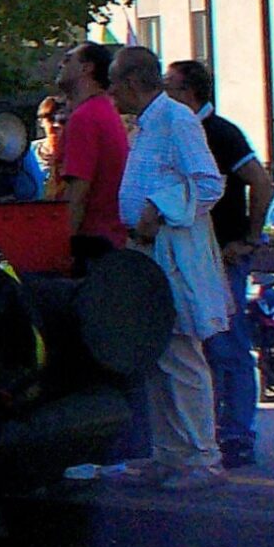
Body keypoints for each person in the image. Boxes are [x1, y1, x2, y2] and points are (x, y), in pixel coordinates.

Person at [107, 45, 230, 488]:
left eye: (114, 84)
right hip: (149, 249)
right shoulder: (149, 123)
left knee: (180, 352)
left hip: (171, 251)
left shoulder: (177, 119)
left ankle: (202, 458)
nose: (110, 93)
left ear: (131, 82)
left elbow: (208, 183)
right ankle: (170, 453)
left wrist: (158, 208)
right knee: (157, 353)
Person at [165, 60, 274, 468]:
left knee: (228, 345)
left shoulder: (220, 132)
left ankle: (238, 433)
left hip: (222, 256)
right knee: (201, 345)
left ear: (189, 93)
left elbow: (260, 182)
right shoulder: (178, 131)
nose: (164, 95)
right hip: (192, 254)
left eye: (170, 87)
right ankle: (208, 430)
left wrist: (250, 237)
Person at [54, 43, 130, 269]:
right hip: (109, 240)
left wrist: (60, 248)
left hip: (90, 244)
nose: (60, 64)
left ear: (86, 68)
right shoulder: (104, 110)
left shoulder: (85, 118)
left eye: (68, 59)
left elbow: (78, 192)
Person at [35, 96, 69, 200]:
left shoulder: (80, 154)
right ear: (40, 122)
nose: (56, 125)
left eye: (62, 121)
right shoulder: (25, 153)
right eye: (50, 119)